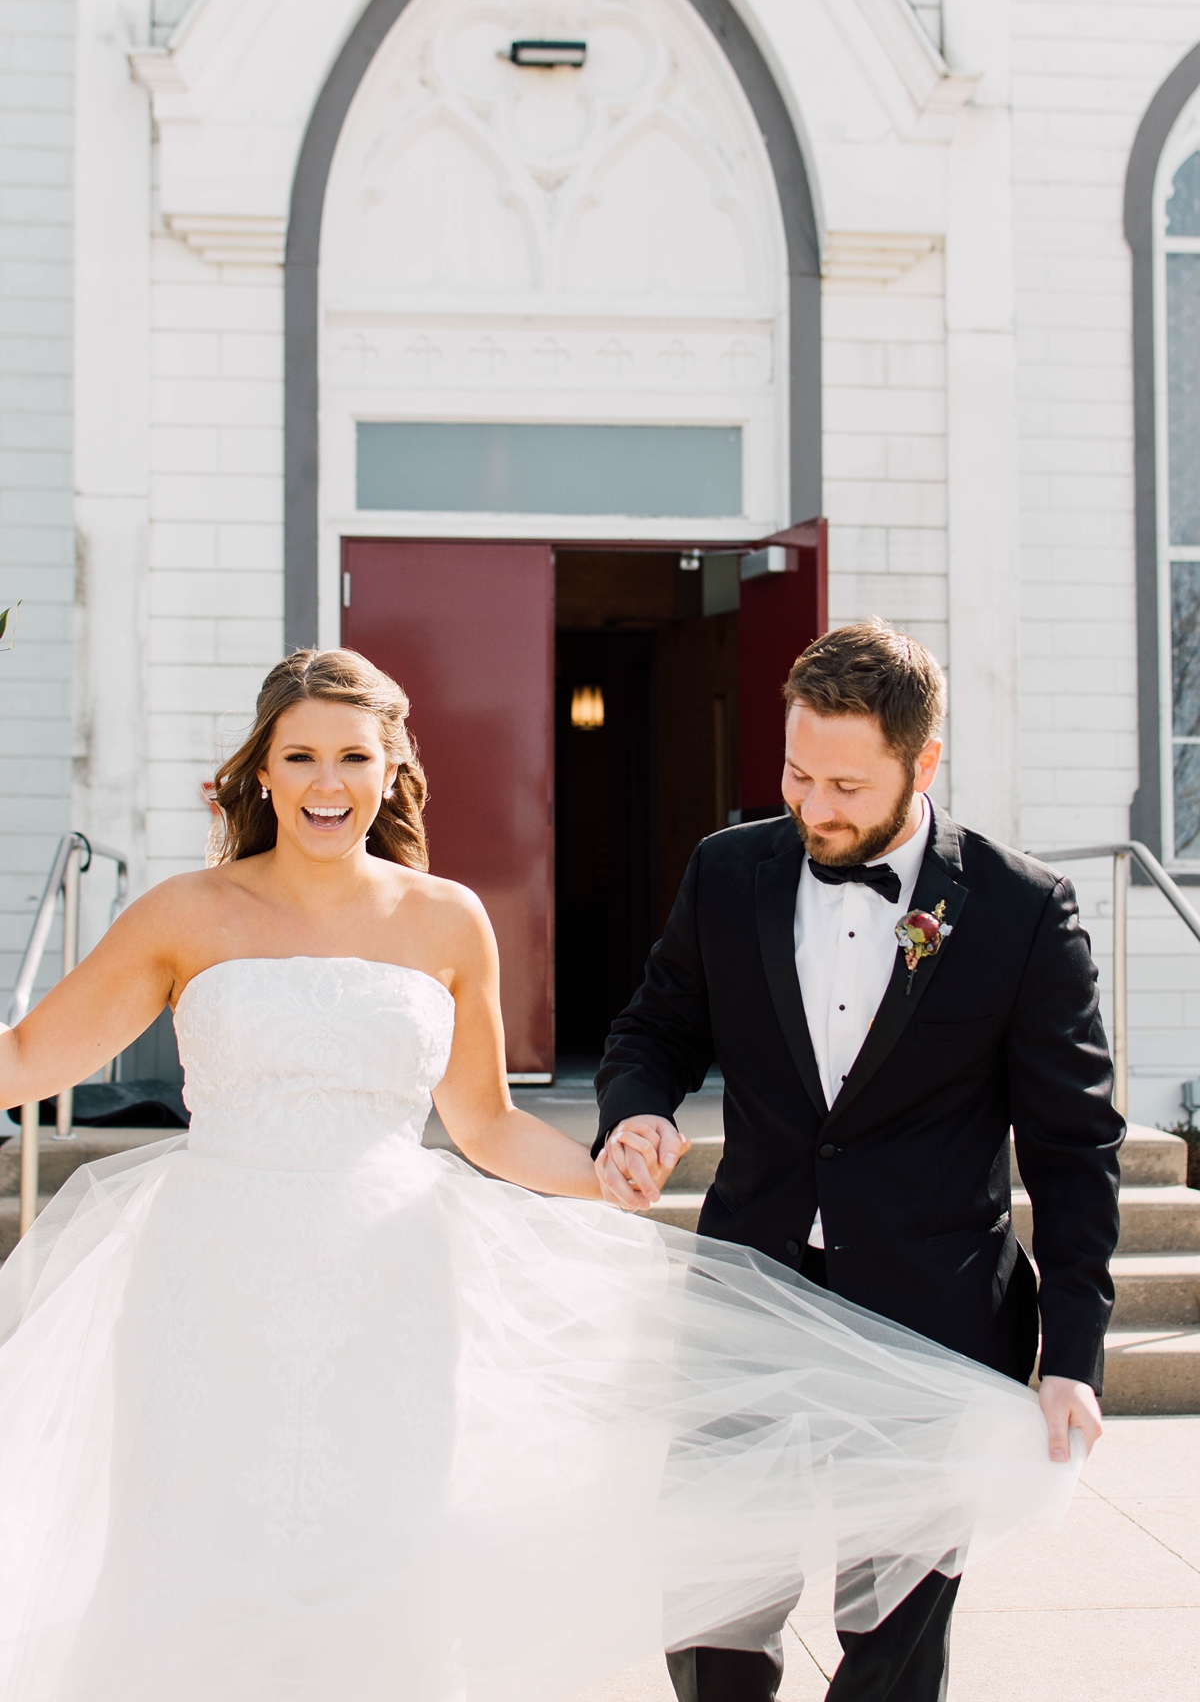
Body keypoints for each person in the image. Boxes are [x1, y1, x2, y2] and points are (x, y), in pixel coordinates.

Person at [0, 647, 1085, 1702]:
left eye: (352, 758)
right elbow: (26, 1060)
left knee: (383, 1552)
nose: (327, 785)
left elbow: (484, 1123)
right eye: (299, 758)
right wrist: (636, 1121)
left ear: (392, 772)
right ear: (261, 769)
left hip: (391, 1292)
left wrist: (608, 1174)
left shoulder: (445, 920)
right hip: (214, 1281)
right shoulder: (185, 915)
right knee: (200, 1541)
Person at [594, 617, 1124, 1702]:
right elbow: (655, 1030)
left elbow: (1075, 1146)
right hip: (753, 1296)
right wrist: (633, 1113)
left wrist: (1074, 1349)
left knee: (891, 1645)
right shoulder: (728, 871)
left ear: (923, 764)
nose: (814, 807)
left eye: (846, 784)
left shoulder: (1022, 912)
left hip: (932, 1318)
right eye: (797, 773)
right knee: (713, 1609)